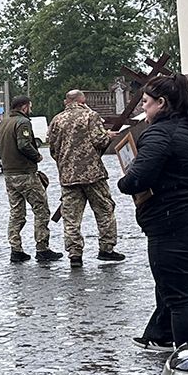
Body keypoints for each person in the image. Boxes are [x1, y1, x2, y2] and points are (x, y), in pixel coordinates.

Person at [118, 74, 188, 348]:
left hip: (175, 228)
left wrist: (125, 177)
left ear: (162, 103)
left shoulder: (160, 133)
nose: (142, 107)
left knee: (181, 300)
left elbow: (136, 180)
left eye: (145, 102)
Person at [48, 90, 124, 268]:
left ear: (67, 101)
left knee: (71, 218)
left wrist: (65, 163)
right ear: (83, 100)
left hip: (68, 176)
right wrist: (108, 136)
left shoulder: (56, 120)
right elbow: (99, 141)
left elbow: (52, 148)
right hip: (93, 174)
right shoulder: (91, 116)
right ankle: (106, 249)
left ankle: (75, 254)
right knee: (105, 210)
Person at [0, 96, 62, 263]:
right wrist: (37, 156)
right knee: (41, 209)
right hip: (25, 173)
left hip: (9, 175)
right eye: (29, 107)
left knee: (16, 213)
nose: (30, 110)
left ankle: (16, 249)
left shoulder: (3, 123)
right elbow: (24, 144)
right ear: (24, 107)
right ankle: (42, 248)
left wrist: (6, 160)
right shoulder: (23, 122)